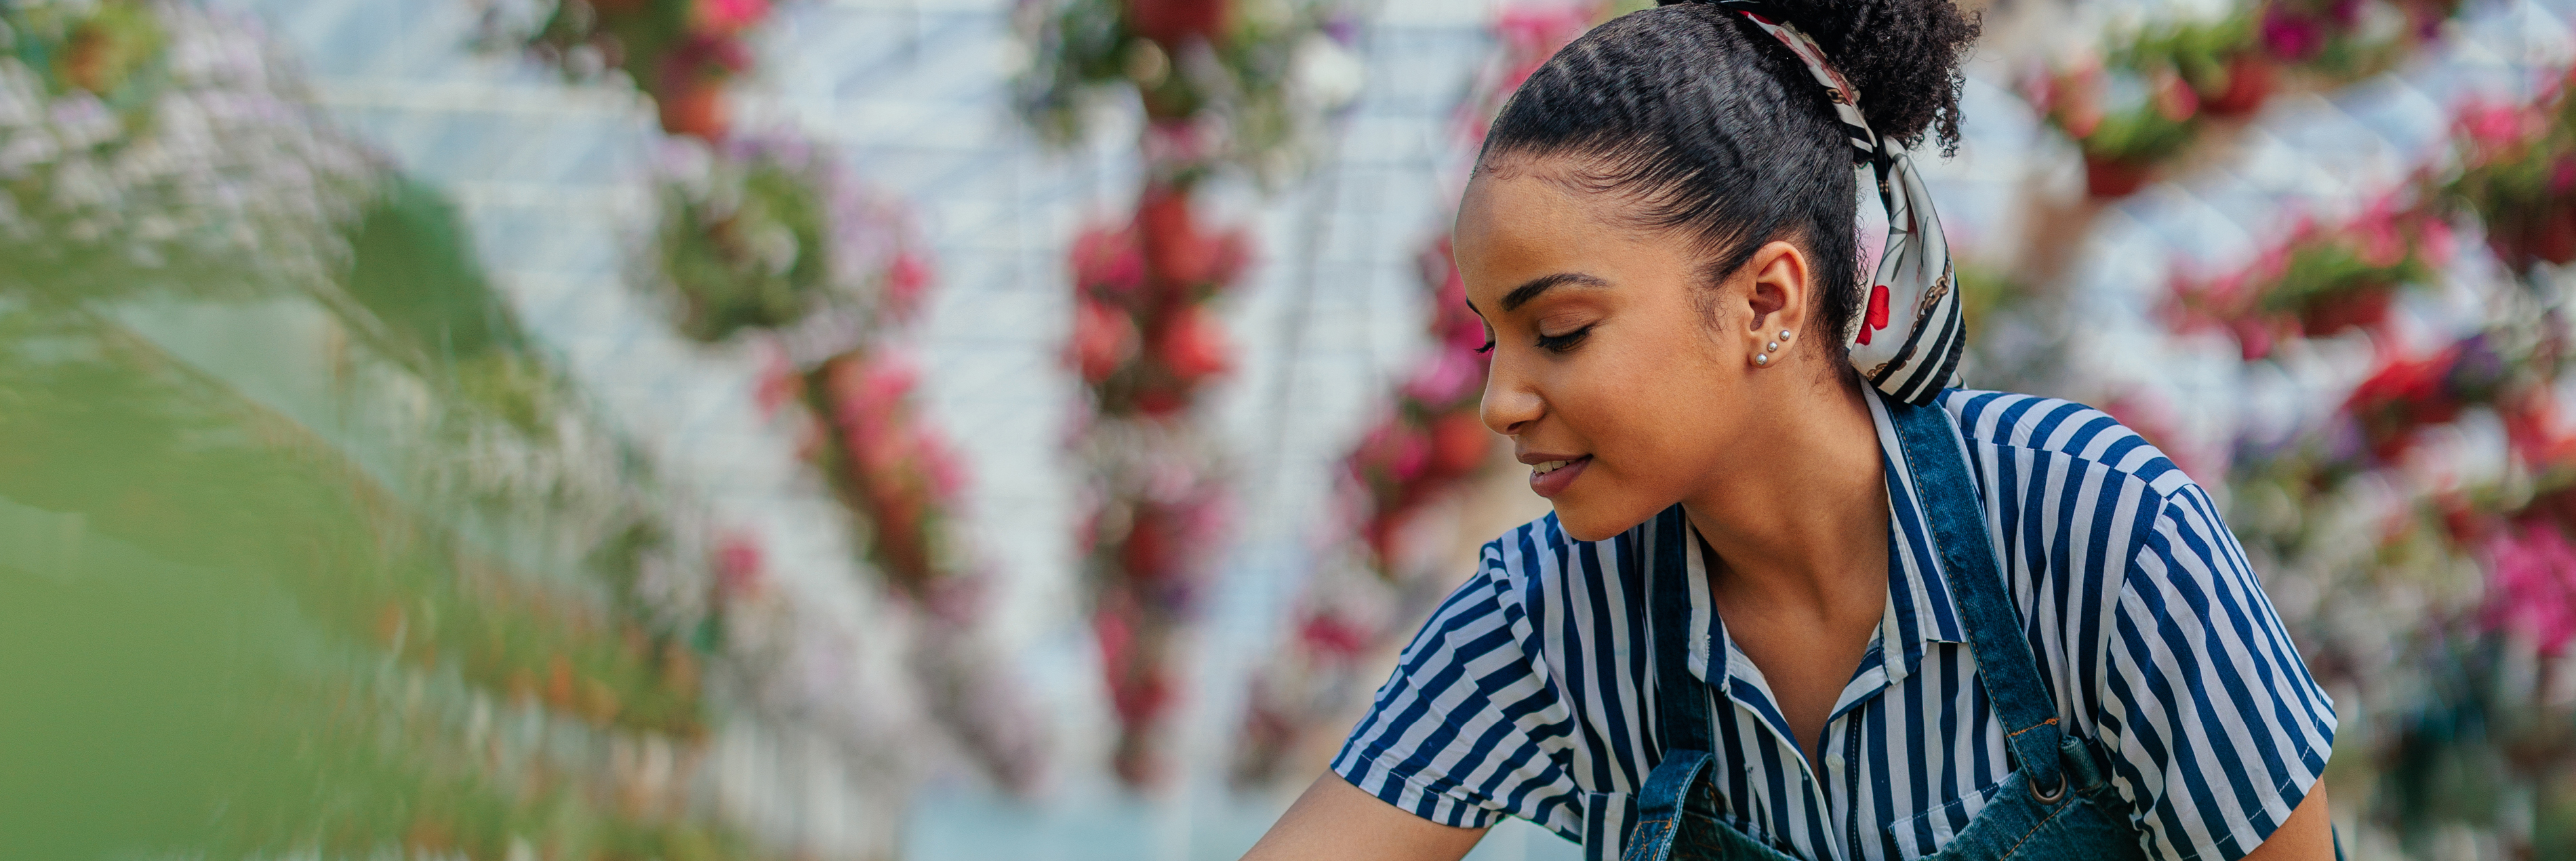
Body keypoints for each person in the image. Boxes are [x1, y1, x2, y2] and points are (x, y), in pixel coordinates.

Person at [1242, 1, 2341, 859]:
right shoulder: (1551, 625)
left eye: (1561, 331)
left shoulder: (2096, 534)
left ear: (1768, 301)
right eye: (1492, 342)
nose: (1501, 403)